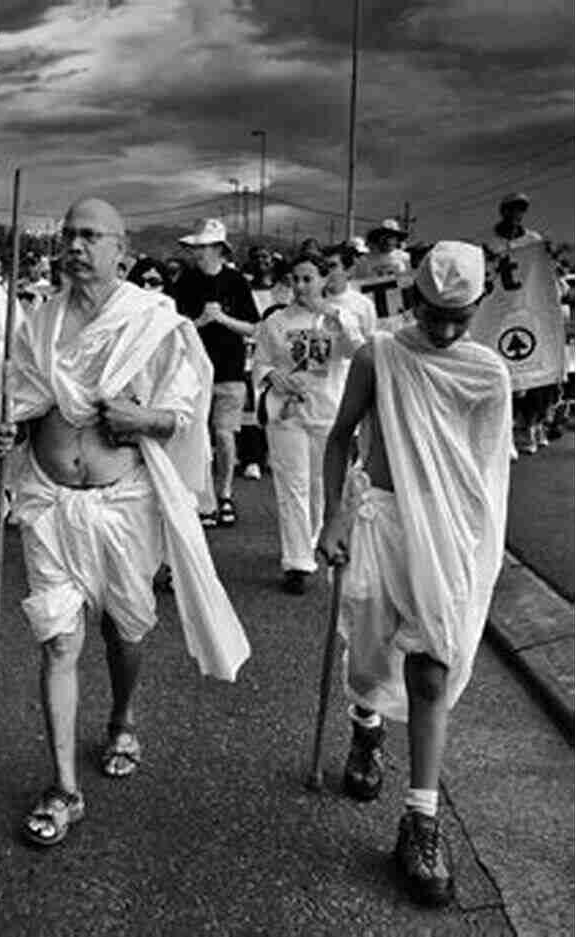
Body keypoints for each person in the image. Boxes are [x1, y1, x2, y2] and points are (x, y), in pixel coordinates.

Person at [0, 198, 249, 848]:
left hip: (123, 503)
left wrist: (144, 420)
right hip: (49, 503)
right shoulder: (38, 323)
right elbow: (20, 402)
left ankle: (124, 714)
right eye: (69, 234)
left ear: (120, 251)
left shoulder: (154, 322)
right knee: (57, 640)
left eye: (90, 235)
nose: (75, 245)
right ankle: (63, 788)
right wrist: (5, 430)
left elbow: (181, 409)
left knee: (124, 629)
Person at [317, 241, 510, 907]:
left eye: (460, 316)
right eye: (434, 314)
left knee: (431, 666)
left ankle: (422, 821)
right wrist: (332, 519)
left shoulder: (489, 375)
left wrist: (480, 554)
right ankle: (366, 727)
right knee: (371, 659)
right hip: (384, 522)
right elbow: (341, 436)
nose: (446, 328)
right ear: (412, 300)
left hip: (450, 534)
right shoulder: (380, 356)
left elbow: (488, 472)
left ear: (479, 306)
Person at [252, 254, 365, 594]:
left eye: (308, 279)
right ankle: (297, 561)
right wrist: (274, 375)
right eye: (296, 279)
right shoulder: (276, 321)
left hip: (328, 413)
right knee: (292, 485)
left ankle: (314, 535)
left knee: (320, 484)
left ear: (322, 280)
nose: (301, 287)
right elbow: (260, 361)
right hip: (288, 414)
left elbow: (356, 353)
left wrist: (335, 317)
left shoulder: (338, 318)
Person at [170, 218, 260, 527]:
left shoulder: (237, 282)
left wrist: (221, 318)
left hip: (230, 370)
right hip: (192, 372)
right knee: (196, 437)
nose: (197, 252)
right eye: (196, 247)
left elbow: (253, 327)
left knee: (224, 435)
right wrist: (201, 322)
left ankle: (224, 495)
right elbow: (173, 328)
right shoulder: (185, 281)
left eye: (203, 247)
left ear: (218, 249)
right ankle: (202, 499)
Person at [483, 192, 563, 456]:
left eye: (520, 210)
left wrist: (548, 255)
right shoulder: (490, 242)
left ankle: (531, 425)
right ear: (502, 211)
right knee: (501, 369)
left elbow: (543, 272)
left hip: (527, 309)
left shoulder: (534, 240)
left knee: (532, 368)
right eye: (511, 209)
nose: (516, 215)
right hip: (500, 311)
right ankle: (504, 433)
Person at [240, 245, 292, 481]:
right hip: (251, 350)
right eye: (257, 257)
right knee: (252, 406)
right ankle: (252, 458)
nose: (262, 261)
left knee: (279, 404)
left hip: (281, 352)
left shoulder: (284, 289)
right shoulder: (244, 287)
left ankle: (275, 454)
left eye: (266, 257)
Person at [322, 242, 379, 340]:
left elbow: (369, 341)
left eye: (332, 266)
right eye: (323, 266)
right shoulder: (311, 300)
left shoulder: (364, 304)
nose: (326, 271)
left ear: (348, 271)